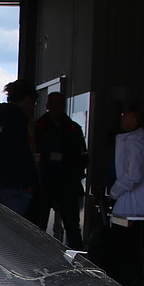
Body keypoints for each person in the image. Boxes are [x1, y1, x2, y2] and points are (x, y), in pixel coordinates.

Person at [29, 91, 87, 247]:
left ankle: (77, 257)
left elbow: (83, 158)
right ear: (47, 105)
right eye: (53, 104)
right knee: (37, 226)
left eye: (59, 104)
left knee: (73, 227)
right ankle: (34, 255)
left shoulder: (73, 129)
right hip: (43, 183)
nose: (56, 107)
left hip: (67, 184)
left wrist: (73, 177)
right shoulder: (38, 128)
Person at [0, 79, 39, 217]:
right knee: (19, 226)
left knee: (4, 223)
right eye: (34, 103)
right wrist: (30, 182)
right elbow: (23, 153)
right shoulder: (18, 120)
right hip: (17, 186)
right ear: (27, 99)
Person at [109, 102, 144, 216]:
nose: (121, 118)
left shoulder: (136, 144)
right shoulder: (143, 142)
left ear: (133, 116)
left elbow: (132, 177)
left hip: (136, 209)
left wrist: (113, 193)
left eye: (123, 114)